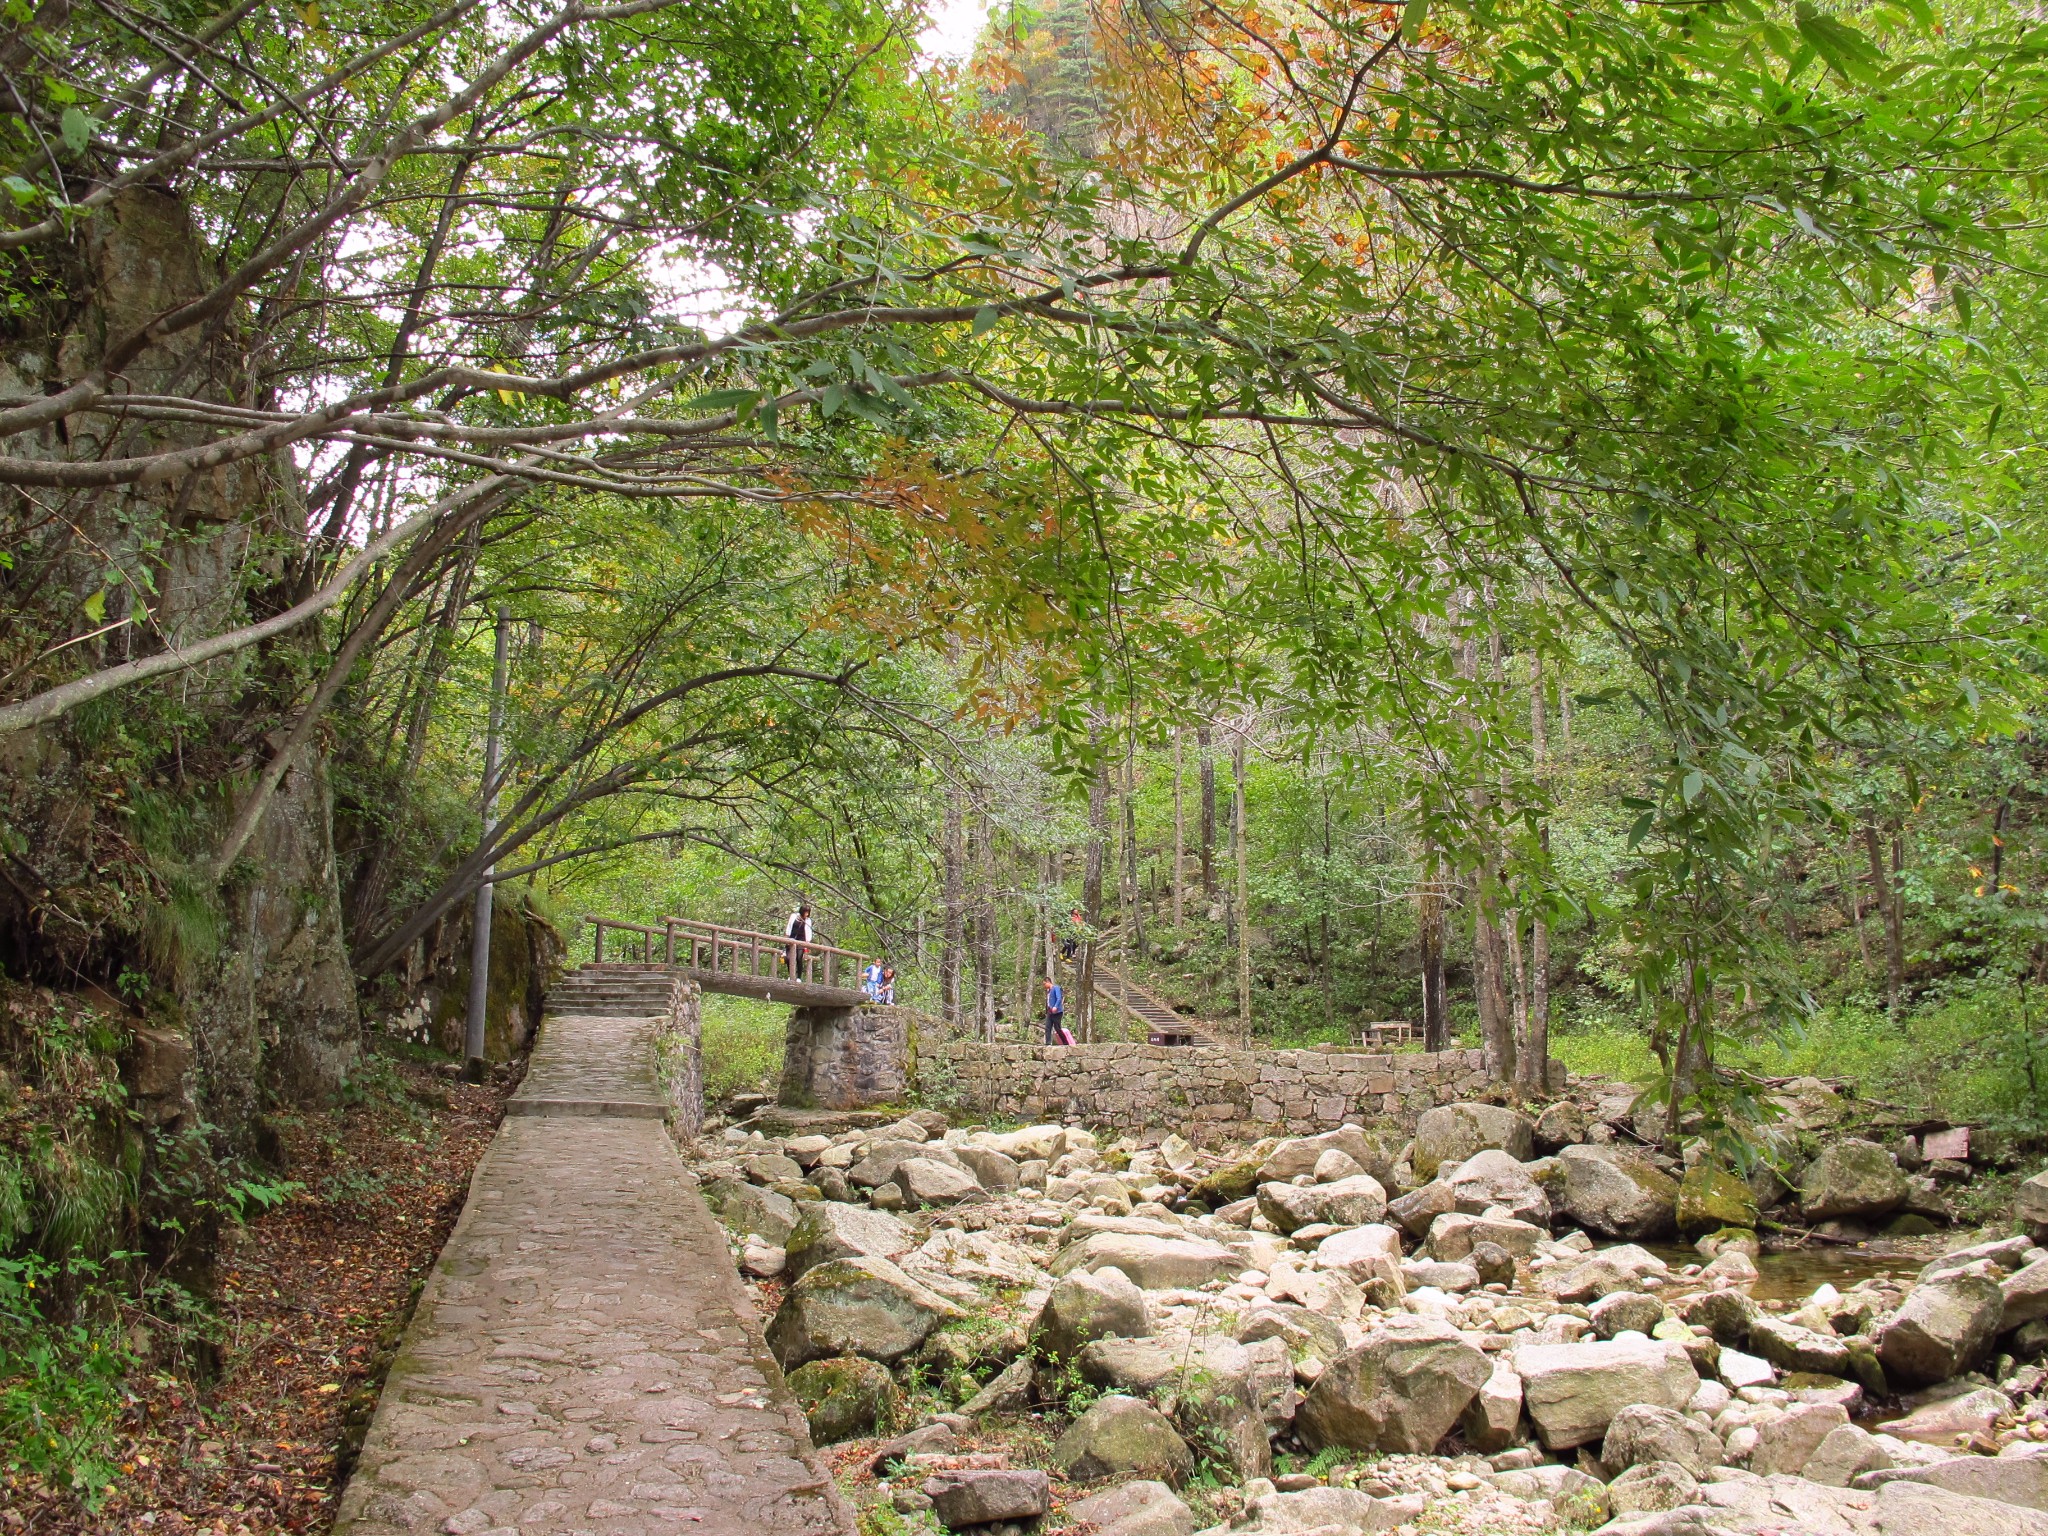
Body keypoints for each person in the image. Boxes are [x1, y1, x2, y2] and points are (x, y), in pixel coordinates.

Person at [785, 901, 812, 980]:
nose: (806, 914)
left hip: (801, 941)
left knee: (799, 958)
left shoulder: (808, 920)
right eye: (805, 912)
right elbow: (789, 927)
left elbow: (808, 931)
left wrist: (807, 942)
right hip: (791, 939)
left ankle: (799, 977)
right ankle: (791, 975)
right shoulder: (794, 916)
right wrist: (786, 937)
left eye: (808, 912)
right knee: (788, 958)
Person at [1043, 976, 1066, 1045]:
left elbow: (1059, 998)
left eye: (1044, 984)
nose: (1044, 986)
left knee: (1057, 1028)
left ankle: (1065, 1041)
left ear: (1048, 982)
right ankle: (1048, 1043)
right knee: (1047, 1027)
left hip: (1057, 1012)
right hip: (1050, 1012)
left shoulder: (1056, 988)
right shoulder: (1048, 991)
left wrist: (1055, 1006)